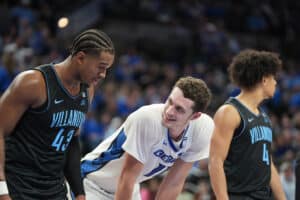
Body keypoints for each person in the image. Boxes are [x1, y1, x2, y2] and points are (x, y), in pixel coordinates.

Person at [0, 29, 115, 200]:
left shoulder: (87, 90)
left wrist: (80, 193)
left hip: (53, 188)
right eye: (101, 67)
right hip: (17, 185)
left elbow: (71, 141)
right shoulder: (33, 83)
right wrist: (2, 190)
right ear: (81, 58)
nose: (103, 74)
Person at [80, 76, 214, 200]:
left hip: (131, 189)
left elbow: (174, 182)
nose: (169, 111)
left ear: (195, 116)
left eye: (179, 109)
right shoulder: (148, 119)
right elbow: (127, 177)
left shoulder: (203, 130)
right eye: (170, 101)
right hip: (92, 184)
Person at [208, 49, 286, 200]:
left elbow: (268, 162)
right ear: (264, 80)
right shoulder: (230, 112)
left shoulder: (264, 117)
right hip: (238, 195)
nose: (275, 82)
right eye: (273, 77)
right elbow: (215, 161)